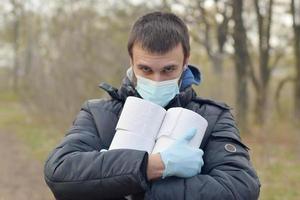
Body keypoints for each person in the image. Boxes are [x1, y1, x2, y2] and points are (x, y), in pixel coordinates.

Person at [44, 11, 260, 200]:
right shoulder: (98, 113)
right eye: (146, 69)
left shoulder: (213, 117)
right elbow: (60, 173)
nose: (157, 80)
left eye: (168, 70)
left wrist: (117, 182)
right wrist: (154, 166)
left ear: (186, 62)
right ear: (131, 62)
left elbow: (241, 188)